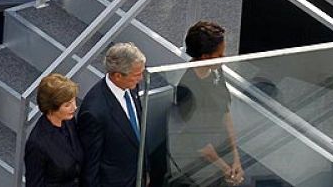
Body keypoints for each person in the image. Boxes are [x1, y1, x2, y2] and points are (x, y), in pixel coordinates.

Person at [166, 21, 244, 186]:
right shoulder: (187, 88)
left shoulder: (215, 70)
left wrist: (236, 156)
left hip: (219, 146)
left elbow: (225, 112)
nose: (223, 59)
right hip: (197, 160)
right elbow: (200, 143)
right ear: (204, 57)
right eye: (219, 55)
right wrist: (227, 169)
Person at [78, 42, 147, 187]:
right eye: (137, 75)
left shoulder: (131, 87)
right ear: (117, 76)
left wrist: (145, 170)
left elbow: (137, 133)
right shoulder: (94, 111)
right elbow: (90, 166)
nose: (141, 78)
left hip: (137, 177)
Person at [24, 74, 83, 187]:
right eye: (67, 105)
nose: (75, 107)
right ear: (51, 108)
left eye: (74, 101)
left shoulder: (68, 121)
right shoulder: (37, 144)